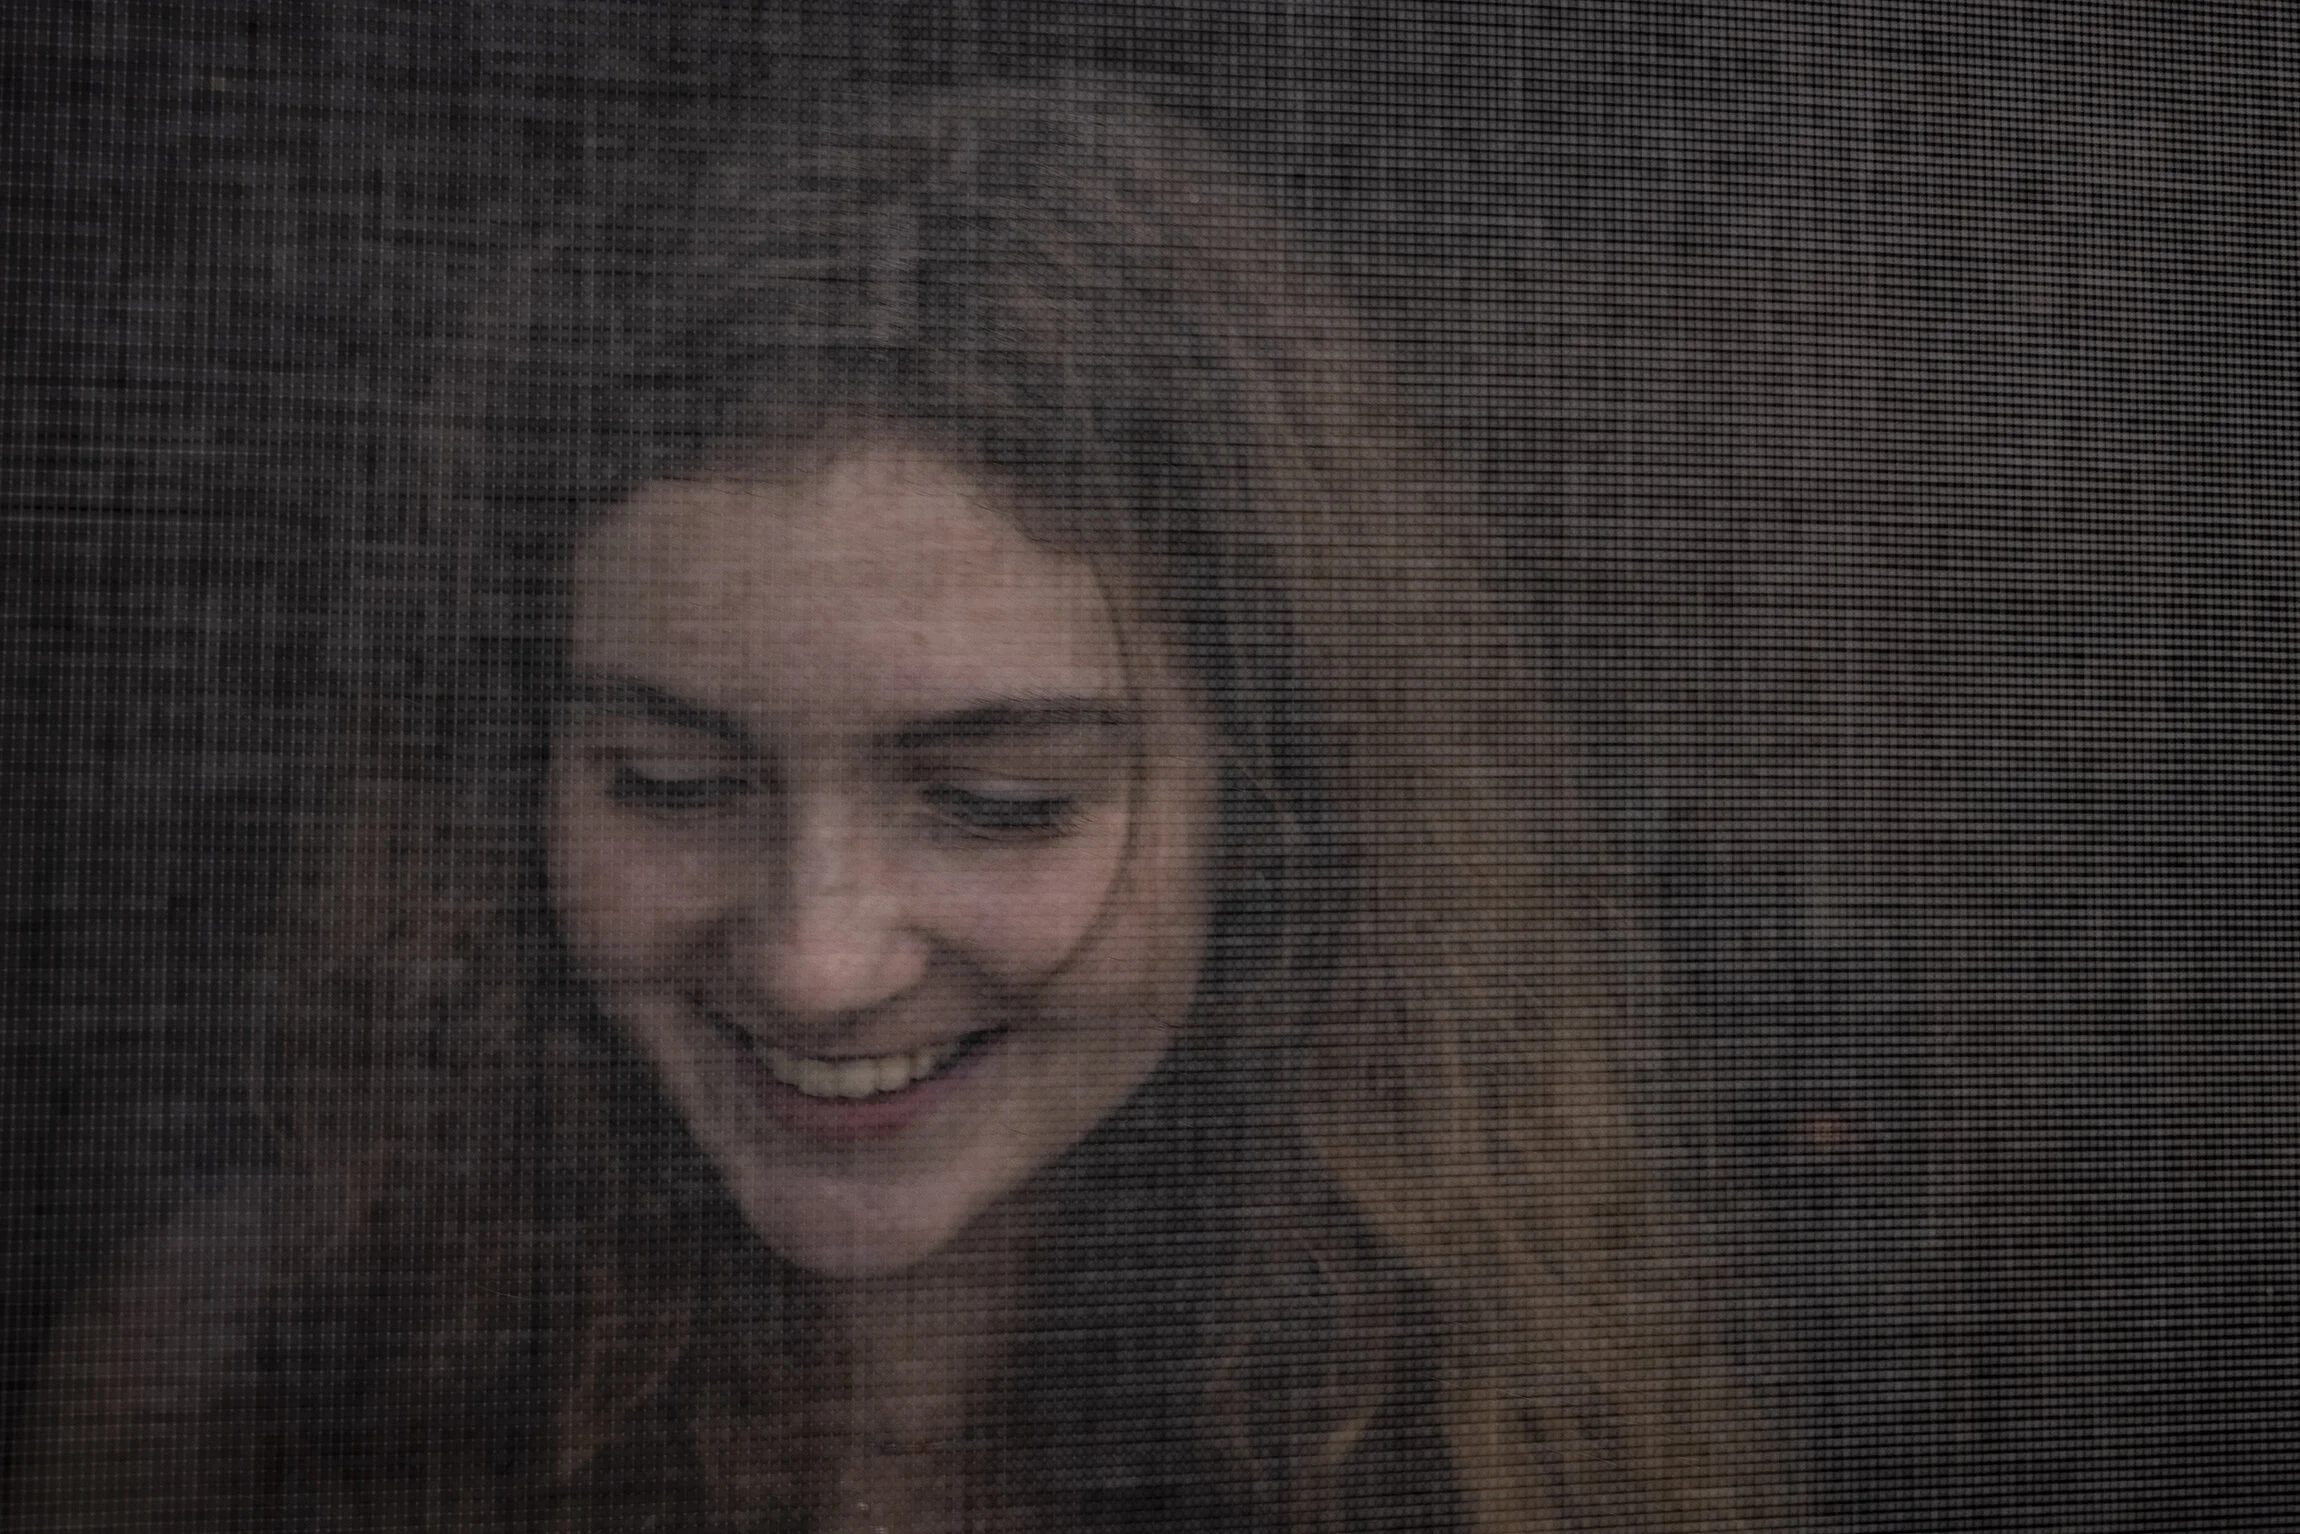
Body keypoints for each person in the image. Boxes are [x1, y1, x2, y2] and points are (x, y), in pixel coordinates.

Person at [19, 77, 1786, 1533]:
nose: (818, 959)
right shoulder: (236, 1386)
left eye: (1000, 803)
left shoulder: (1489, 1429)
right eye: (671, 783)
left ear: (1273, 816)